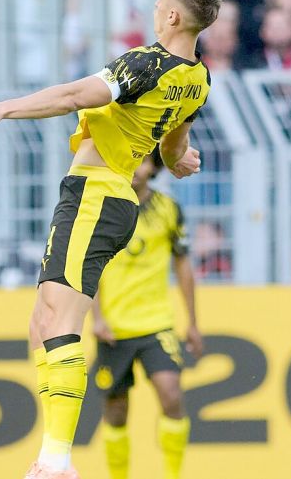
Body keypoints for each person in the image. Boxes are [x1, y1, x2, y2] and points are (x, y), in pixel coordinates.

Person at [0, 0, 221, 479]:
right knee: (41, 325)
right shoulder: (198, 77)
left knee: (58, 324)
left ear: (172, 13)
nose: (153, 5)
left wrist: (3, 108)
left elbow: (75, 96)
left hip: (96, 196)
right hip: (103, 197)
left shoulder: (145, 63)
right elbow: (172, 147)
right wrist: (181, 160)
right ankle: (51, 452)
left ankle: (57, 461)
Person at [91, 149, 204, 479]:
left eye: (144, 159)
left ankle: (173, 474)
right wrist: (96, 317)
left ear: (154, 166)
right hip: (115, 326)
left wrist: (193, 323)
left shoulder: (169, 209)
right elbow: (91, 265)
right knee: (116, 410)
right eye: (131, 158)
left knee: (171, 395)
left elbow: (182, 265)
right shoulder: (104, 210)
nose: (137, 167)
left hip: (157, 324)